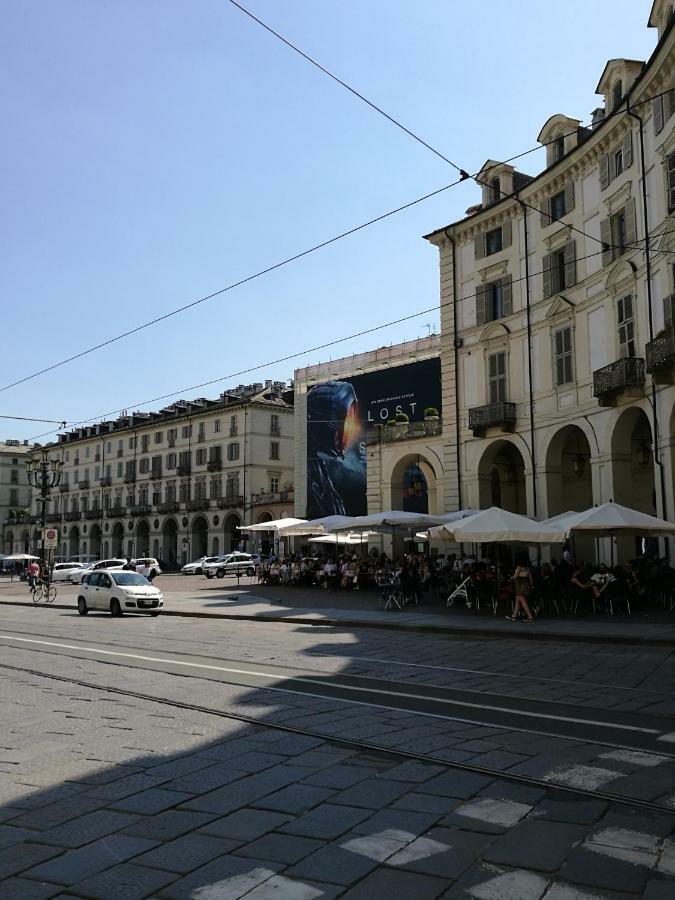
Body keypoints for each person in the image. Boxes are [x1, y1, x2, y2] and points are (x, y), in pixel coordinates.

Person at [506, 552, 535, 622]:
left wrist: (511, 578)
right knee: (517, 600)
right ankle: (514, 616)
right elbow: (530, 577)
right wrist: (531, 585)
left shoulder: (519, 567)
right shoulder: (527, 568)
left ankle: (530, 617)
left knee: (522, 600)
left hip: (520, 585)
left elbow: (516, 576)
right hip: (526, 584)